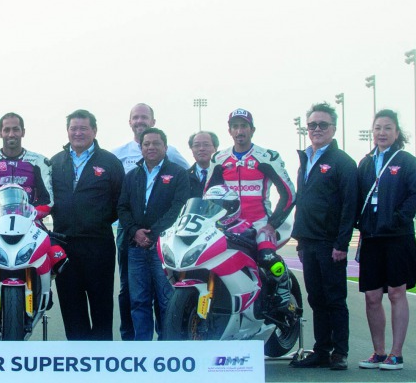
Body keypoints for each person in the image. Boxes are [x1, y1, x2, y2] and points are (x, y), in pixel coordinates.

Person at [289, 102, 358, 370]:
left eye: (323, 125)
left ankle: (339, 352)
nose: (317, 129)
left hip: (331, 244)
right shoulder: (306, 159)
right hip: (309, 242)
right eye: (312, 125)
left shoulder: (343, 162)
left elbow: (349, 206)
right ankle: (321, 349)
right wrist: (300, 240)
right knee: (316, 298)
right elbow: (303, 201)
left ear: (334, 128)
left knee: (334, 298)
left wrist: (341, 244)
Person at [112, 103, 189, 340]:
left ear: (165, 147)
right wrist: (135, 232)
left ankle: (167, 348)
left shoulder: (178, 172)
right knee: (138, 300)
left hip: (163, 247)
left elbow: (179, 207)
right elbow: (122, 207)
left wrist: (154, 233)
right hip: (135, 247)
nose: (151, 147)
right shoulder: (132, 175)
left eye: (156, 143)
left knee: (166, 299)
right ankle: (141, 348)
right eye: (146, 144)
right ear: (141, 148)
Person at [354, 109, 416, 371]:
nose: (382, 133)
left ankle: (397, 353)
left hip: (397, 237)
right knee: (372, 296)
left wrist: (397, 219)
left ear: (396, 133)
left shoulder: (405, 160)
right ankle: (378, 352)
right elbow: (356, 197)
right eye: (378, 128)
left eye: (387, 128)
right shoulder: (365, 163)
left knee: (396, 292)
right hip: (371, 238)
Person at [204, 108, 296, 303]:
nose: (240, 131)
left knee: (268, 258)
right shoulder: (218, 159)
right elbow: (207, 195)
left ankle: (283, 286)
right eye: (235, 126)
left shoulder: (268, 157)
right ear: (229, 131)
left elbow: (289, 194)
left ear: (252, 129)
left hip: (259, 223)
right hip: (228, 225)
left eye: (244, 126)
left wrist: (272, 224)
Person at [50, 109, 125, 340]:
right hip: (64, 246)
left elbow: (119, 201)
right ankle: (78, 363)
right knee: (72, 308)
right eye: (74, 128)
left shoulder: (109, 162)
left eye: (83, 128)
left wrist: (96, 221)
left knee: (101, 306)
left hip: (98, 244)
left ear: (94, 130)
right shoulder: (55, 162)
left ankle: (102, 365)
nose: (78, 133)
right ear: (67, 131)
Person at [0, 113, 52, 215]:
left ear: (23, 132)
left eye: (16, 129)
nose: (11, 134)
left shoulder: (40, 162)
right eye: (6, 130)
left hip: (30, 222)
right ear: (0, 133)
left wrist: (27, 214)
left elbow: (47, 202)